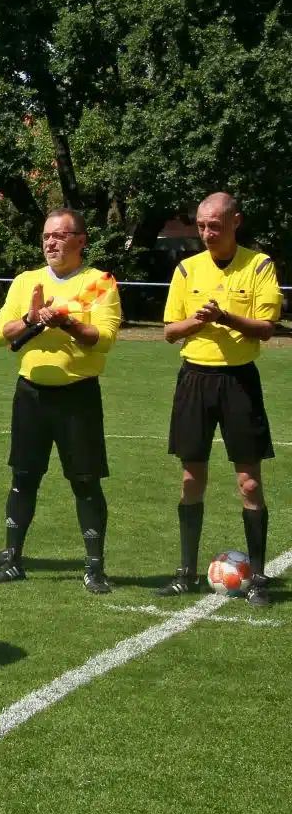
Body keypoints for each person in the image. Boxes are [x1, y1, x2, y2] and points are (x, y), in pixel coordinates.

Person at [0, 208, 121, 593]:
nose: (50, 242)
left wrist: (68, 322)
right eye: (46, 236)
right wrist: (31, 320)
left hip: (78, 397)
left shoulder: (98, 282)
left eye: (60, 235)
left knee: (85, 481)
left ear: (81, 240)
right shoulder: (27, 281)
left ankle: (94, 567)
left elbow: (104, 336)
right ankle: (12, 560)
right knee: (23, 477)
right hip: (31, 394)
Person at [154, 193, 278, 607]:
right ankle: (185, 574)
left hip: (239, 381)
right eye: (202, 225)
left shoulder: (259, 265)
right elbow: (171, 331)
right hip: (195, 378)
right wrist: (200, 320)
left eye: (216, 226)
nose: (207, 233)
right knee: (191, 476)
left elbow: (265, 327)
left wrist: (226, 317)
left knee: (249, 480)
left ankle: (258, 578)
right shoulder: (187, 269)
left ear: (236, 222)